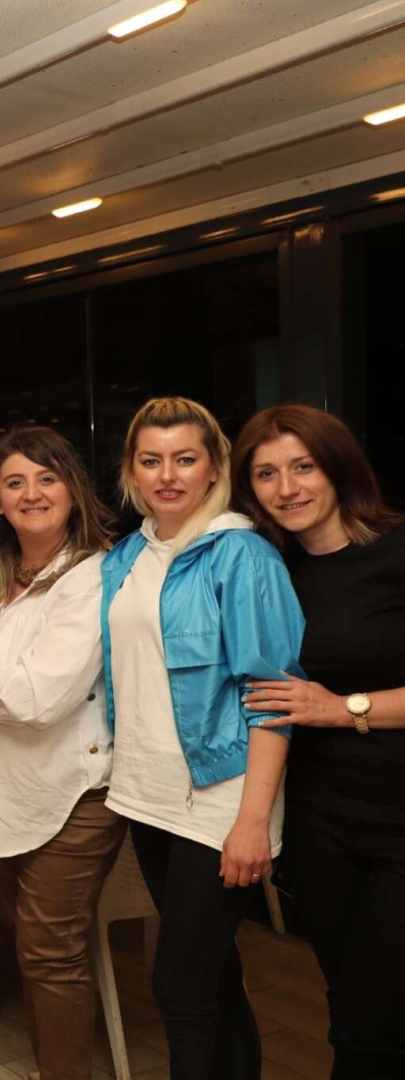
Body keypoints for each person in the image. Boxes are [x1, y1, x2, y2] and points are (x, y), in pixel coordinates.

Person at [100, 396, 303, 1080]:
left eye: (185, 459)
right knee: (212, 973)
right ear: (131, 469)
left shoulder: (240, 554)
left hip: (220, 799)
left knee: (179, 985)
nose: (168, 476)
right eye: (151, 460)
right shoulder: (127, 556)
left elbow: (272, 697)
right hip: (148, 793)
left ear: (215, 466)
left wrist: (252, 821)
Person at [0, 427, 121, 1080]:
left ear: (73, 490)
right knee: (32, 949)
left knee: (49, 954)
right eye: (15, 482)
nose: (31, 493)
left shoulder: (91, 576)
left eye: (46, 478)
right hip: (4, 790)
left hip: (72, 793)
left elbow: (40, 695)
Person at [233, 404, 405, 1078]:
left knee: (371, 1020)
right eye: (266, 473)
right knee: (350, 1002)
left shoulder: (396, 551)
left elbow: (325, 705)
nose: (287, 488)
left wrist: (342, 709)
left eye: (303, 467)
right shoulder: (269, 572)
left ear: (336, 468)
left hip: (398, 819)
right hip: (319, 823)